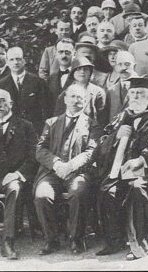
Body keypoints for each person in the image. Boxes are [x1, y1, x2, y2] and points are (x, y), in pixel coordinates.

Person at [94, 76, 148, 259]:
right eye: (132, 93)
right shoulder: (122, 116)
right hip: (123, 170)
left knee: (136, 188)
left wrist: (141, 159)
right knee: (108, 190)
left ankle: (143, 244)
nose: (135, 97)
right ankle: (114, 241)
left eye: (140, 93)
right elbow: (101, 144)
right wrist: (116, 136)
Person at [33, 84, 102, 255]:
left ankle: (76, 238)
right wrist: (57, 164)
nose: (76, 101)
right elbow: (40, 149)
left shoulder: (92, 124)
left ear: (85, 101)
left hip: (78, 172)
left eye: (80, 98)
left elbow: (92, 151)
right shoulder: (51, 122)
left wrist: (70, 165)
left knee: (78, 193)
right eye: (72, 96)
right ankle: (51, 239)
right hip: (52, 172)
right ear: (65, 99)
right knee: (42, 195)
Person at [0, 88, 38, 260]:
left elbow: (34, 156)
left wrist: (18, 173)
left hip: (14, 178)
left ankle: (8, 241)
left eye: (3, 100)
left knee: (14, 188)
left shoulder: (25, 126)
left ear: (10, 104)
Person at [0, 46, 51, 130]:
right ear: (7, 62)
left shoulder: (38, 82)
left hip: (34, 130)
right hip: (10, 131)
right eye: (12, 59)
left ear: (24, 61)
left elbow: (47, 109)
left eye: (18, 59)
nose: (15, 62)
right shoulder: (0, 85)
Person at [104, 50, 137, 118]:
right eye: (120, 64)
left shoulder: (144, 87)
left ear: (134, 66)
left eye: (127, 64)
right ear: (116, 67)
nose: (123, 68)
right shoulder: (111, 91)